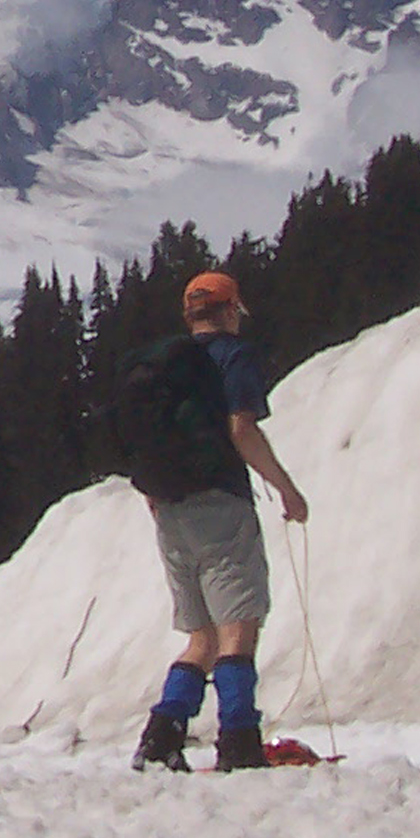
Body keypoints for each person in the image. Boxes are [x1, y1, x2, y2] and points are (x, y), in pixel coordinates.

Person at [120, 270, 307, 773]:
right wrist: (286, 489)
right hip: (221, 503)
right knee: (237, 630)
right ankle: (240, 741)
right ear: (229, 310)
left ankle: (161, 737)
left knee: (199, 637)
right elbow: (241, 429)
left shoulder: (163, 366)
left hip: (169, 507)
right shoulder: (231, 356)